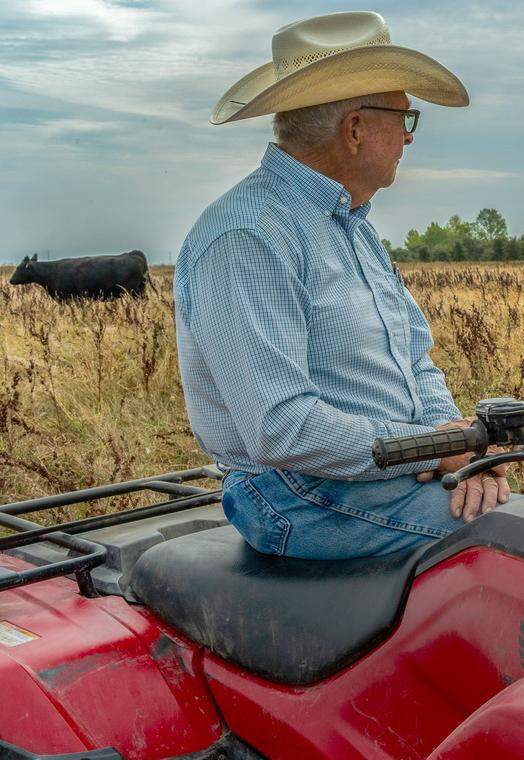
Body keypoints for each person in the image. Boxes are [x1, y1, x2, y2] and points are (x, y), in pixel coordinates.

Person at [174, 11, 507, 559]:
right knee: (514, 549)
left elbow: (412, 360)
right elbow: (281, 430)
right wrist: (433, 451)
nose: (407, 136)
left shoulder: (352, 226)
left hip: (378, 474)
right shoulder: (248, 236)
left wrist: (455, 445)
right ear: (355, 129)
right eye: (405, 118)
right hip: (294, 493)